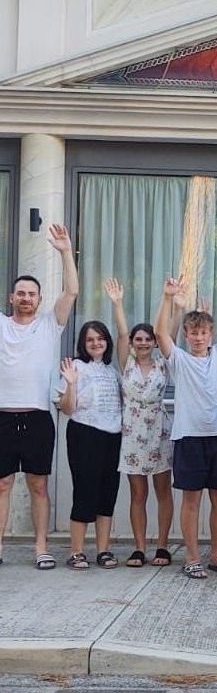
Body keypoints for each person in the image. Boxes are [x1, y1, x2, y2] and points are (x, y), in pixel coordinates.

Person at [153, 271, 217, 580]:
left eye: (203, 332)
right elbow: (159, 334)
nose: (198, 337)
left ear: (210, 333)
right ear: (186, 334)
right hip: (188, 438)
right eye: (192, 332)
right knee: (191, 500)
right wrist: (167, 298)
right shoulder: (177, 359)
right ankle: (192, 557)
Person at [0, 223, 78, 570]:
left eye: (32, 294)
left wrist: (64, 251)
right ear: (11, 298)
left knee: (39, 486)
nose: (26, 298)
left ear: (40, 299)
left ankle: (41, 548)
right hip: (2, 415)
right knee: (2, 485)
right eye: (21, 293)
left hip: (37, 417)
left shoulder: (49, 325)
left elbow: (72, 291)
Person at [104, 278, 174, 568]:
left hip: (159, 427)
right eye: (138, 339)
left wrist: (169, 299)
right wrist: (118, 303)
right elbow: (120, 332)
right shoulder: (126, 363)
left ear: (155, 342)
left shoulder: (164, 363)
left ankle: (162, 546)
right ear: (133, 343)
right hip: (132, 430)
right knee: (138, 492)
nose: (143, 342)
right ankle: (139, 548)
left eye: (148, 339)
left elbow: (171, 329)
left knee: (162, 490)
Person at [55, 321, 123, 569]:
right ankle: (76, 551)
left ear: (107, 341)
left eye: (100, 338)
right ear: (83, 344)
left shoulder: (112, 370)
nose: (96, 343)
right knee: (85, 490)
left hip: (112, 436)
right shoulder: (75, 366)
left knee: (108, 492)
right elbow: (67, 409)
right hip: (85, 434)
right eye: (90, 339)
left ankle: (103, 550)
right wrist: (71, 383)